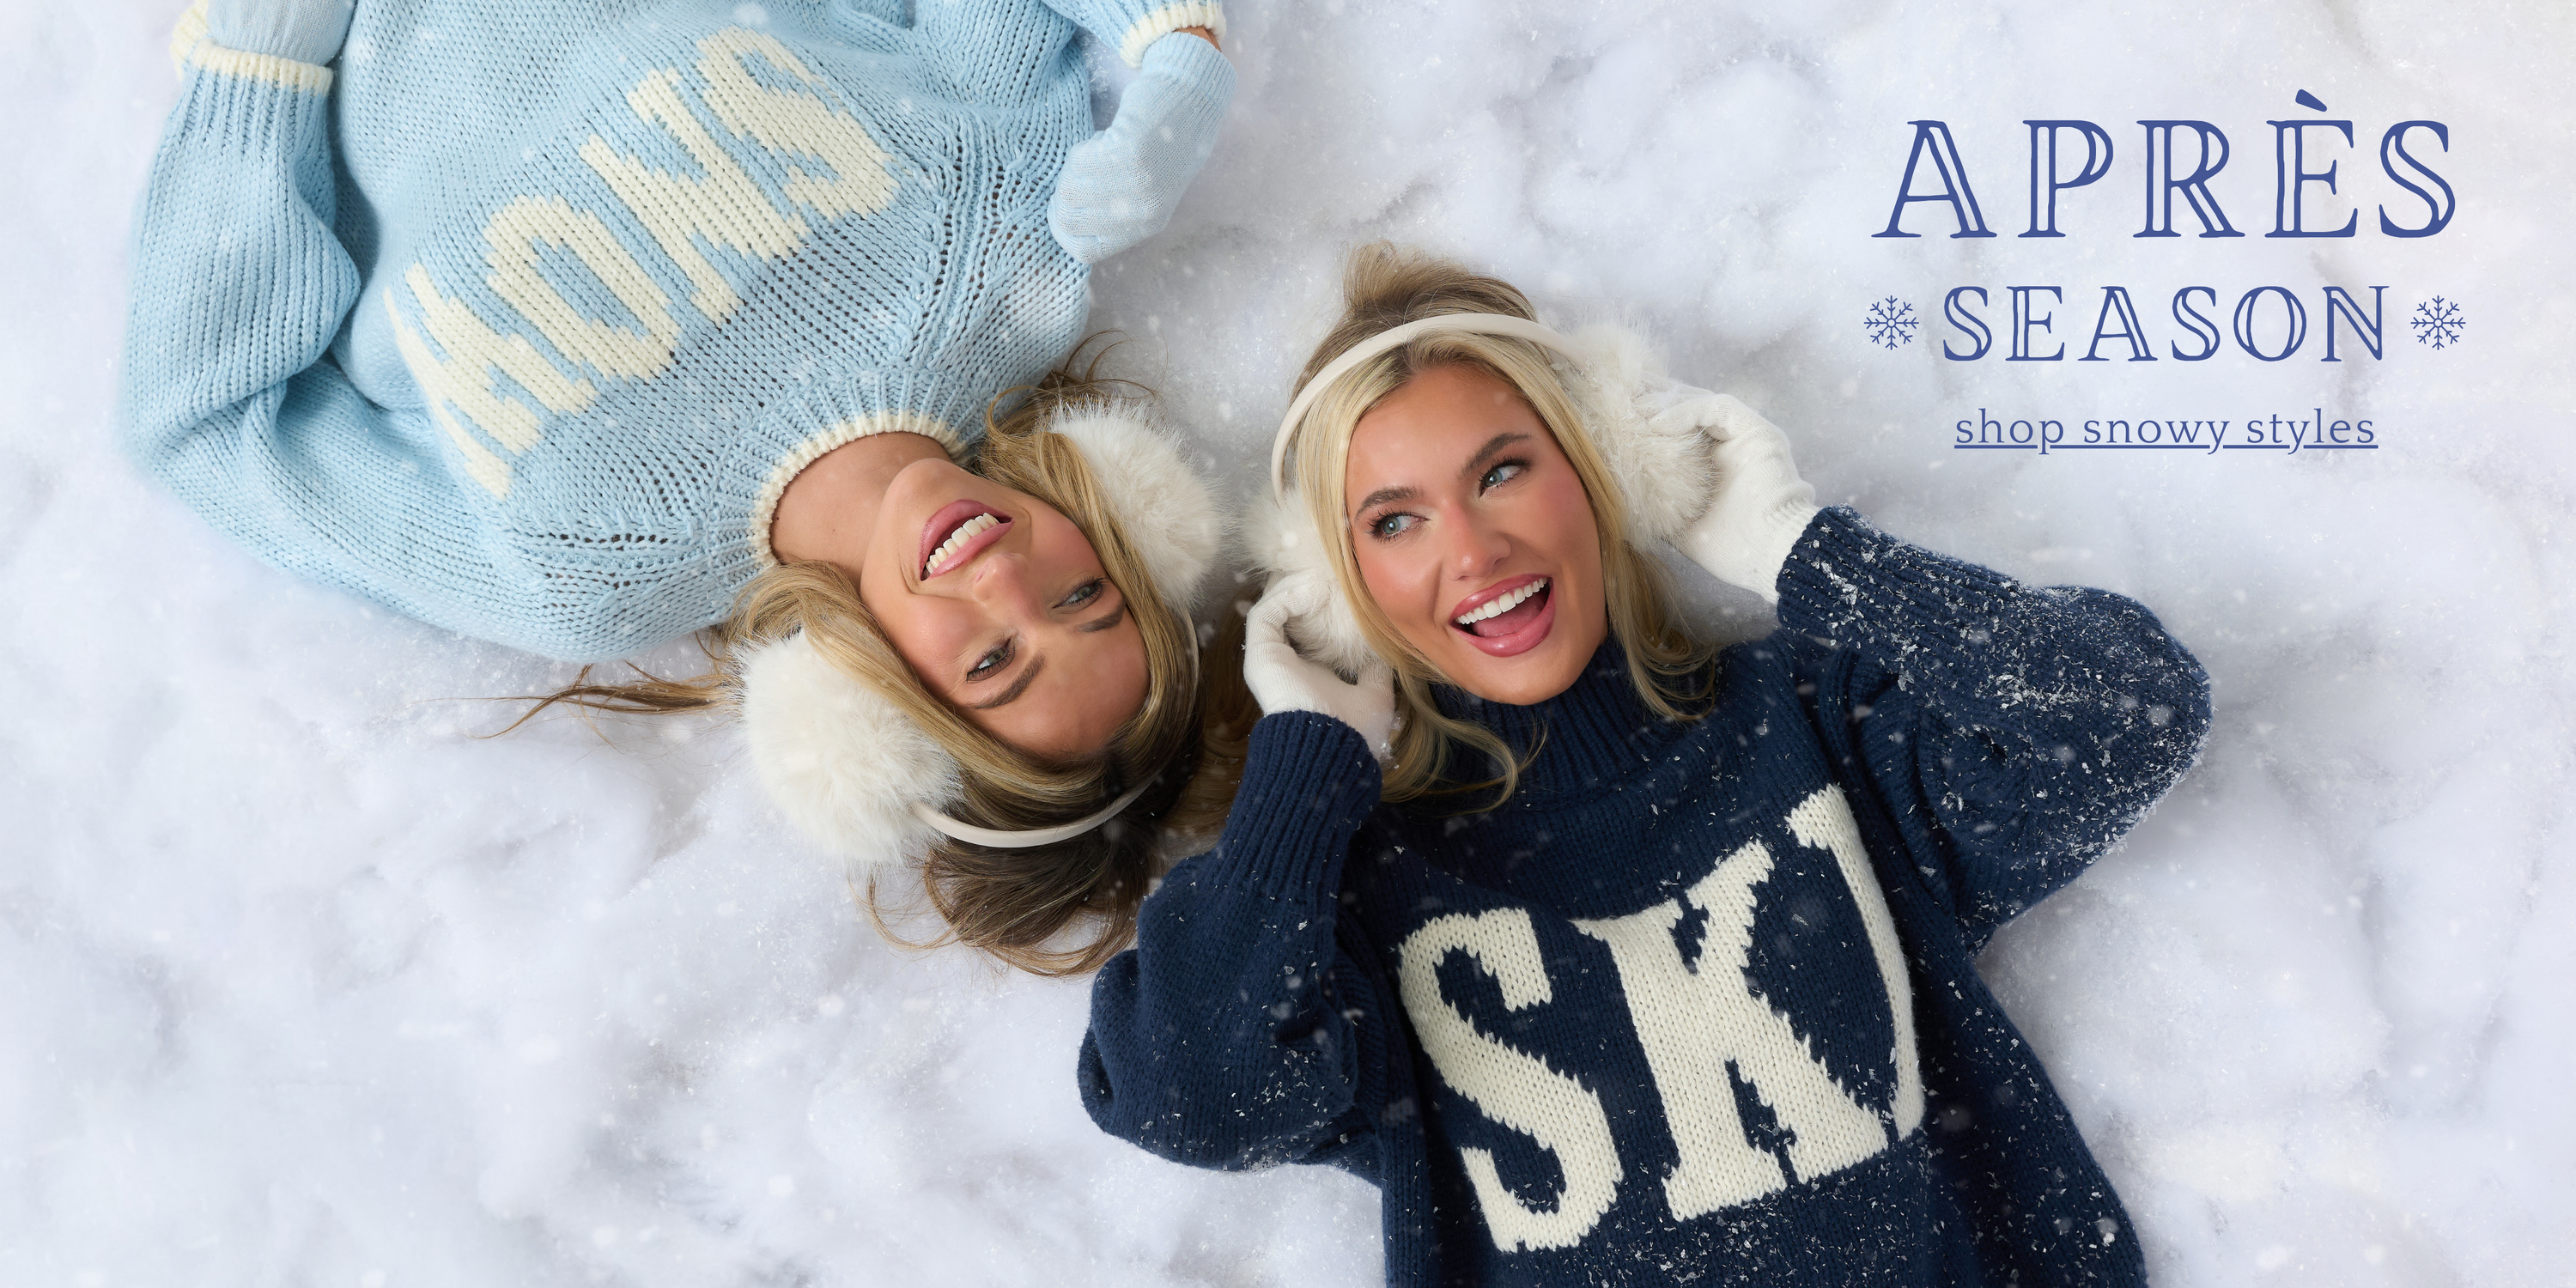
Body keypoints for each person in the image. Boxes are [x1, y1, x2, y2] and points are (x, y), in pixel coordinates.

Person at [1078, 245, 2213, 1283]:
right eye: (1393, 522)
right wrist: (1306, 770)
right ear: (1338, 586)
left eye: (1502, 471)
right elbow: (1196, 1095)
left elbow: (2126, 715)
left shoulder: (1811, 727)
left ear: (1606, 474)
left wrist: (1796, 548)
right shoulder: (1356, 894)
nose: (1474, 552)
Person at [118, 0, 1236, 971]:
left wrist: (256, 68)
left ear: (872, 714)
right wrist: (1177, 45)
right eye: (1084, 597)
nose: (1004, 579)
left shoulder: (583, 566)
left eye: (992, 663)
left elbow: (209, 423)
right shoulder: (1000, 267)